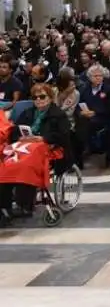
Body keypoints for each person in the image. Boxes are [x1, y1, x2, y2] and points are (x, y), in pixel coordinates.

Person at [0, 84, 70, 225]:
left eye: (42, 96)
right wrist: (20, 137)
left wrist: (43, 138)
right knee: (5, 163)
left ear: (50, 98)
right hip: (24, 145)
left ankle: (24, 204)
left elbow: (63, 135)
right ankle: (5, 207)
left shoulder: (58, 115)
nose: (39, 100)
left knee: (25, 165)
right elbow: (14, 130)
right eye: (35, 97)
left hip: (47, 147)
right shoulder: (27, 112)